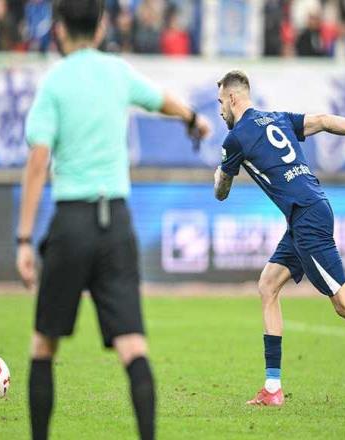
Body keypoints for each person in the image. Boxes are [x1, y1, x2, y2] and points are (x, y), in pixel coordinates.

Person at [15, 1, 209, 439]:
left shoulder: (55, 82)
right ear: (101, 28)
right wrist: (194, 119)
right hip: (116, 224)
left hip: (71, 221)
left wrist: (24, 239)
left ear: (58, 30)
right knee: (133, 346)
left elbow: (38, 160)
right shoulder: (118, 73)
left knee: (44, 344)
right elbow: (162, 100)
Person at [213, 70, 345, 408]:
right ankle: (272, 388)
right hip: (306, 213)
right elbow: (324, 120)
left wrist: (220, 173)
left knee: (343, 301)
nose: (220, 109)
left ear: (233, 98)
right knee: (268, 285)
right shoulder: (278, 118)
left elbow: (221, 192)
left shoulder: (235, 138)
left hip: (307, 217)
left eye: (221, 102)